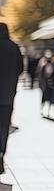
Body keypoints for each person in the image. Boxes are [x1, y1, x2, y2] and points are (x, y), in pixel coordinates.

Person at [0, 23, 24, 174]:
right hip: (8, 95)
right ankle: (1, 152)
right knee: (4, 126)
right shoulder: (13, 47)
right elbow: (20, 69)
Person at [36, 49, 54, 118]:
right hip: (44, 84)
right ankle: (42, 109)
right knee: (44, 98)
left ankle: (49, 111)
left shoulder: (53, 63)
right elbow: (39, 73)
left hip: (51, 84)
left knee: (50, 98)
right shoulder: (42, 63)